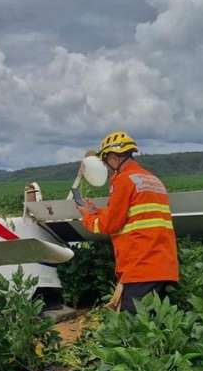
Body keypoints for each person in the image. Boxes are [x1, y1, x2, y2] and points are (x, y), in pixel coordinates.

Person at [75, 131, 179, 314]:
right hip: (163, 266)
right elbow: (132, 215)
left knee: (133, 330)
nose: (106, 167)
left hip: (141, 267)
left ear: (114, 158)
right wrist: (97, 211)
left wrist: (87, 217)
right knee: (153, 327)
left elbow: (110, 225)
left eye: (106, 161)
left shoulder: (123, 180)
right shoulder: (152, 180)